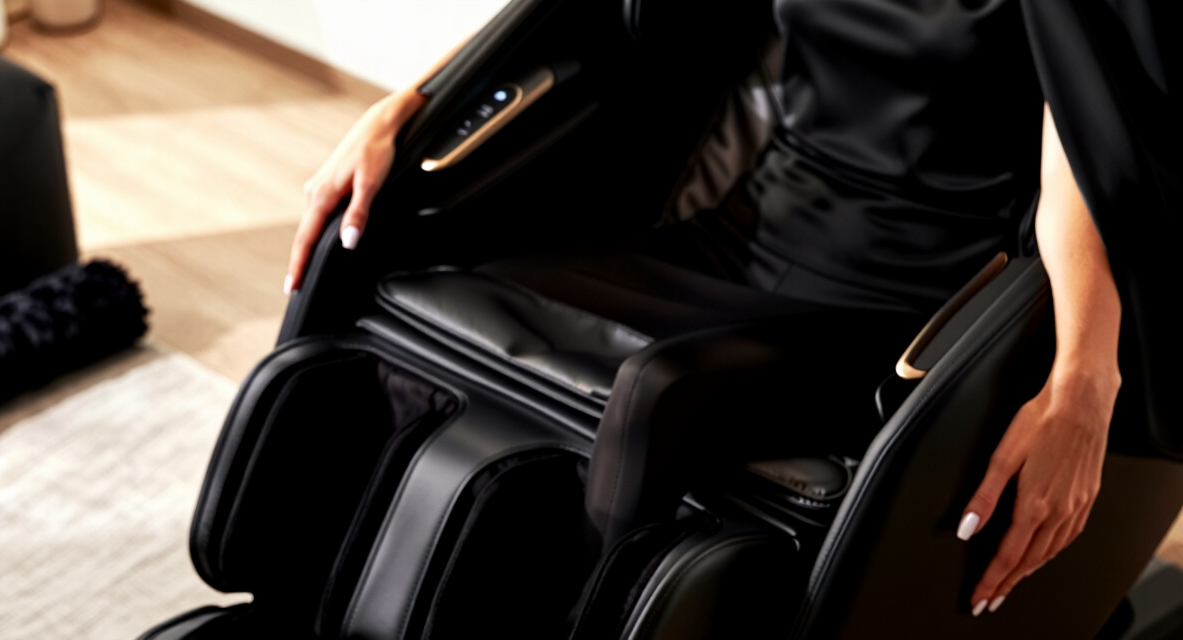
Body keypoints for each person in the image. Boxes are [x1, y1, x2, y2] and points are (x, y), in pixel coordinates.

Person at [285, 0, 1121, 619]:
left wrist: (1085, 377)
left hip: (898, 305)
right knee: (399, 263)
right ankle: (306, 587)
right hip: (740, 238)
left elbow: (1082, 175)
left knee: (659, 386)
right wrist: (411, 103)